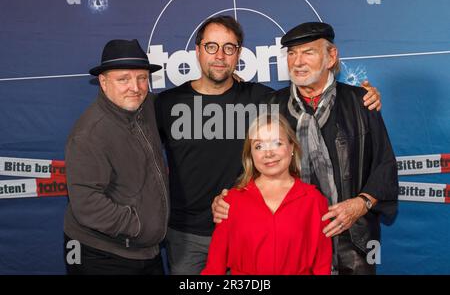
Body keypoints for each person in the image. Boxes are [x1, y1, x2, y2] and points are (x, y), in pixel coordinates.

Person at [155, 16, 381, 275]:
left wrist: (365, 97)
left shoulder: (263, 98)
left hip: (248, 231)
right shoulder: (166, 103)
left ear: (238, 53)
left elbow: (306, 100)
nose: (220, 55)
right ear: (197, 50)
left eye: (229, 48)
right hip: (186, 235)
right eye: (211, 47)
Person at [212, 22, 399, 275]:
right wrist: (225, 200)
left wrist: (361, 204)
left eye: (308, 52)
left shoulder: (361, 102)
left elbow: (384, 165)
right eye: (291, 53)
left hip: (351, 241)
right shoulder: (271, 105)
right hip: (292, 243)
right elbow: (251, 165)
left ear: (331, 57)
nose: (297, 62)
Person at [63, 39, 169, 275]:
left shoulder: (147, 106)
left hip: (146, 251)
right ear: (103, 82)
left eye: (142, 78)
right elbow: (87, 204)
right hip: (104, 256)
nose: (136, 87)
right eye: (124, 79)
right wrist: (140, 225)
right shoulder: (89, 134)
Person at [201, 114, 332, 275]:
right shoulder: (230, 201)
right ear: (251, 155)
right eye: (259, 146)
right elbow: (215, 267)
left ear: (292, 147)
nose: (268, 153)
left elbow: (322, 266)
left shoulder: (314, 200)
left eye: (277, 143)